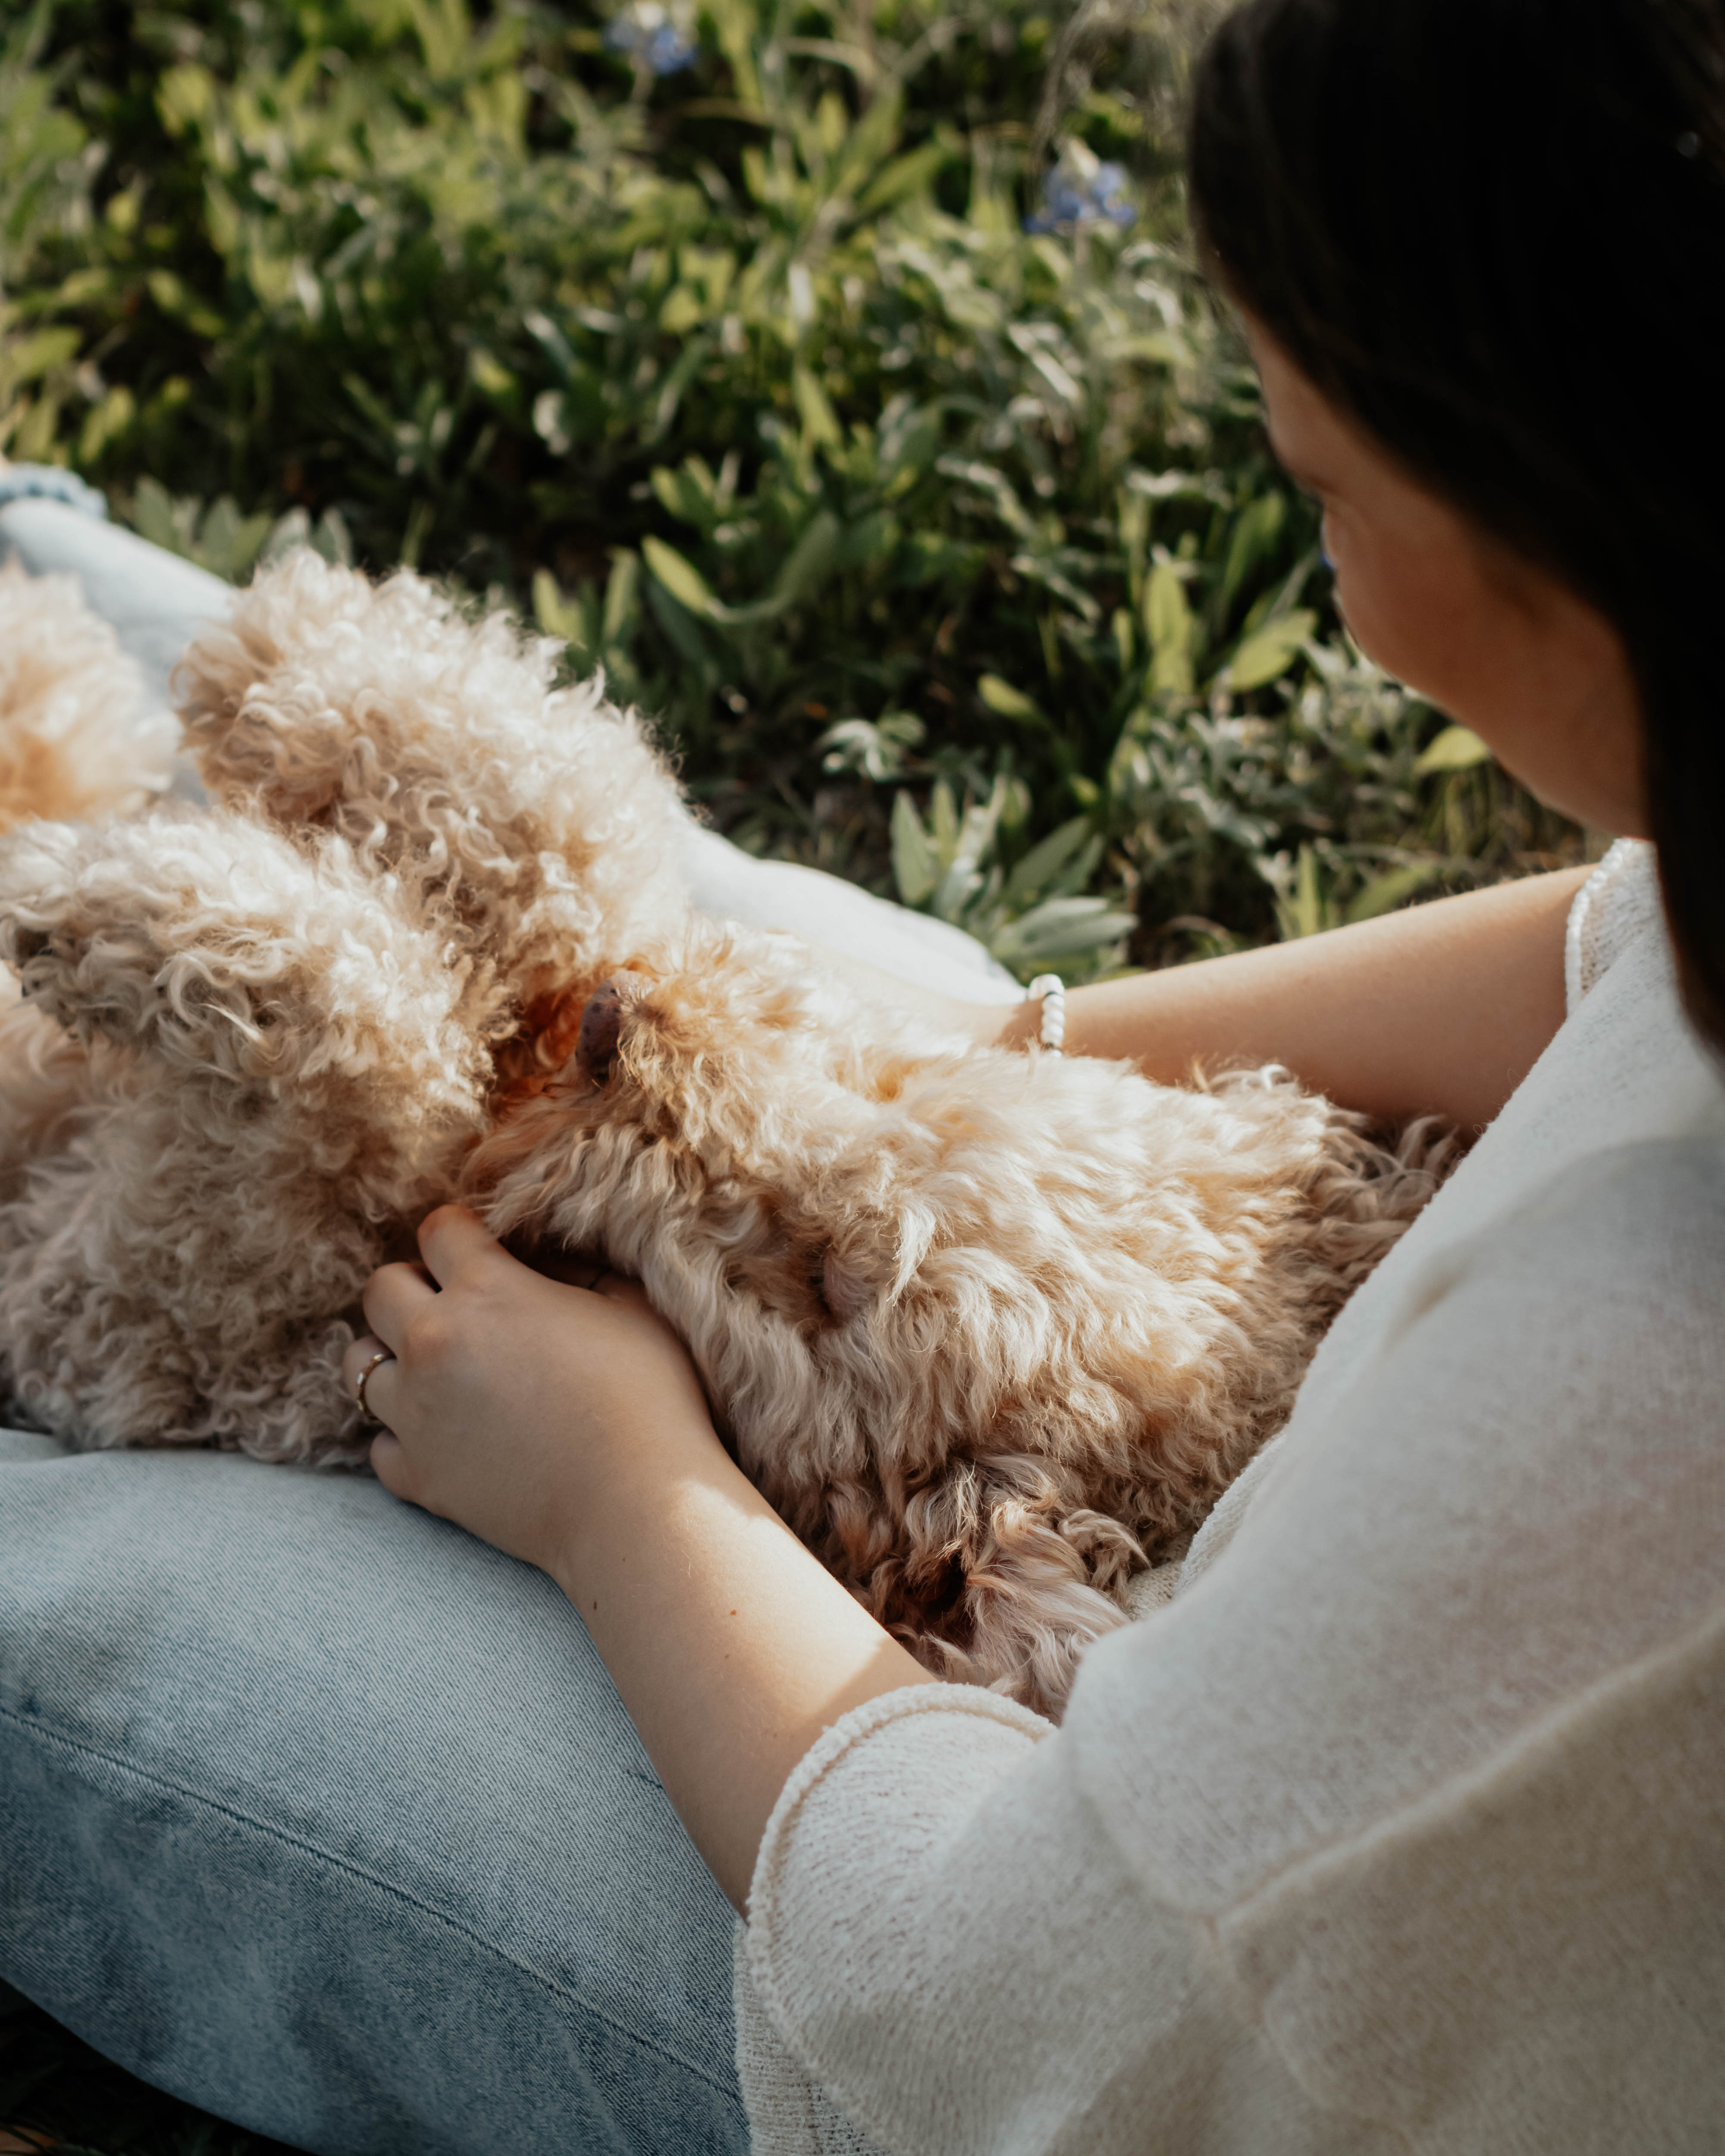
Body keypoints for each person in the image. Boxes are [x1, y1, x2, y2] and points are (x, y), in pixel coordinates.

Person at [3, 0, 1722, 2147]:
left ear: (1579, 495)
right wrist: (1007, 1046)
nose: (1325, 554)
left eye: (1322, 487)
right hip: (1192, 1476)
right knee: (634, 928)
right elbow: (1612, 947)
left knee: (93, 1564)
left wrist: (623, 1491)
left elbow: (1004, 2018)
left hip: (1014, 1966)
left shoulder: (1626, 1407)